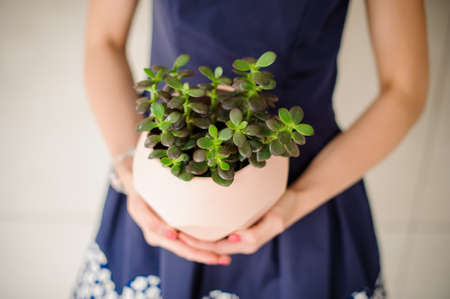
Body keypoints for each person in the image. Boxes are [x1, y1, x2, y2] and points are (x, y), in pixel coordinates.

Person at [72, 0, 428, 298]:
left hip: (308, 186)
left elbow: (404, 90)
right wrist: (130, 173)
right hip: (163, 174)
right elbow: (103, 41)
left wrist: (296, 202)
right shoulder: (144, 180)